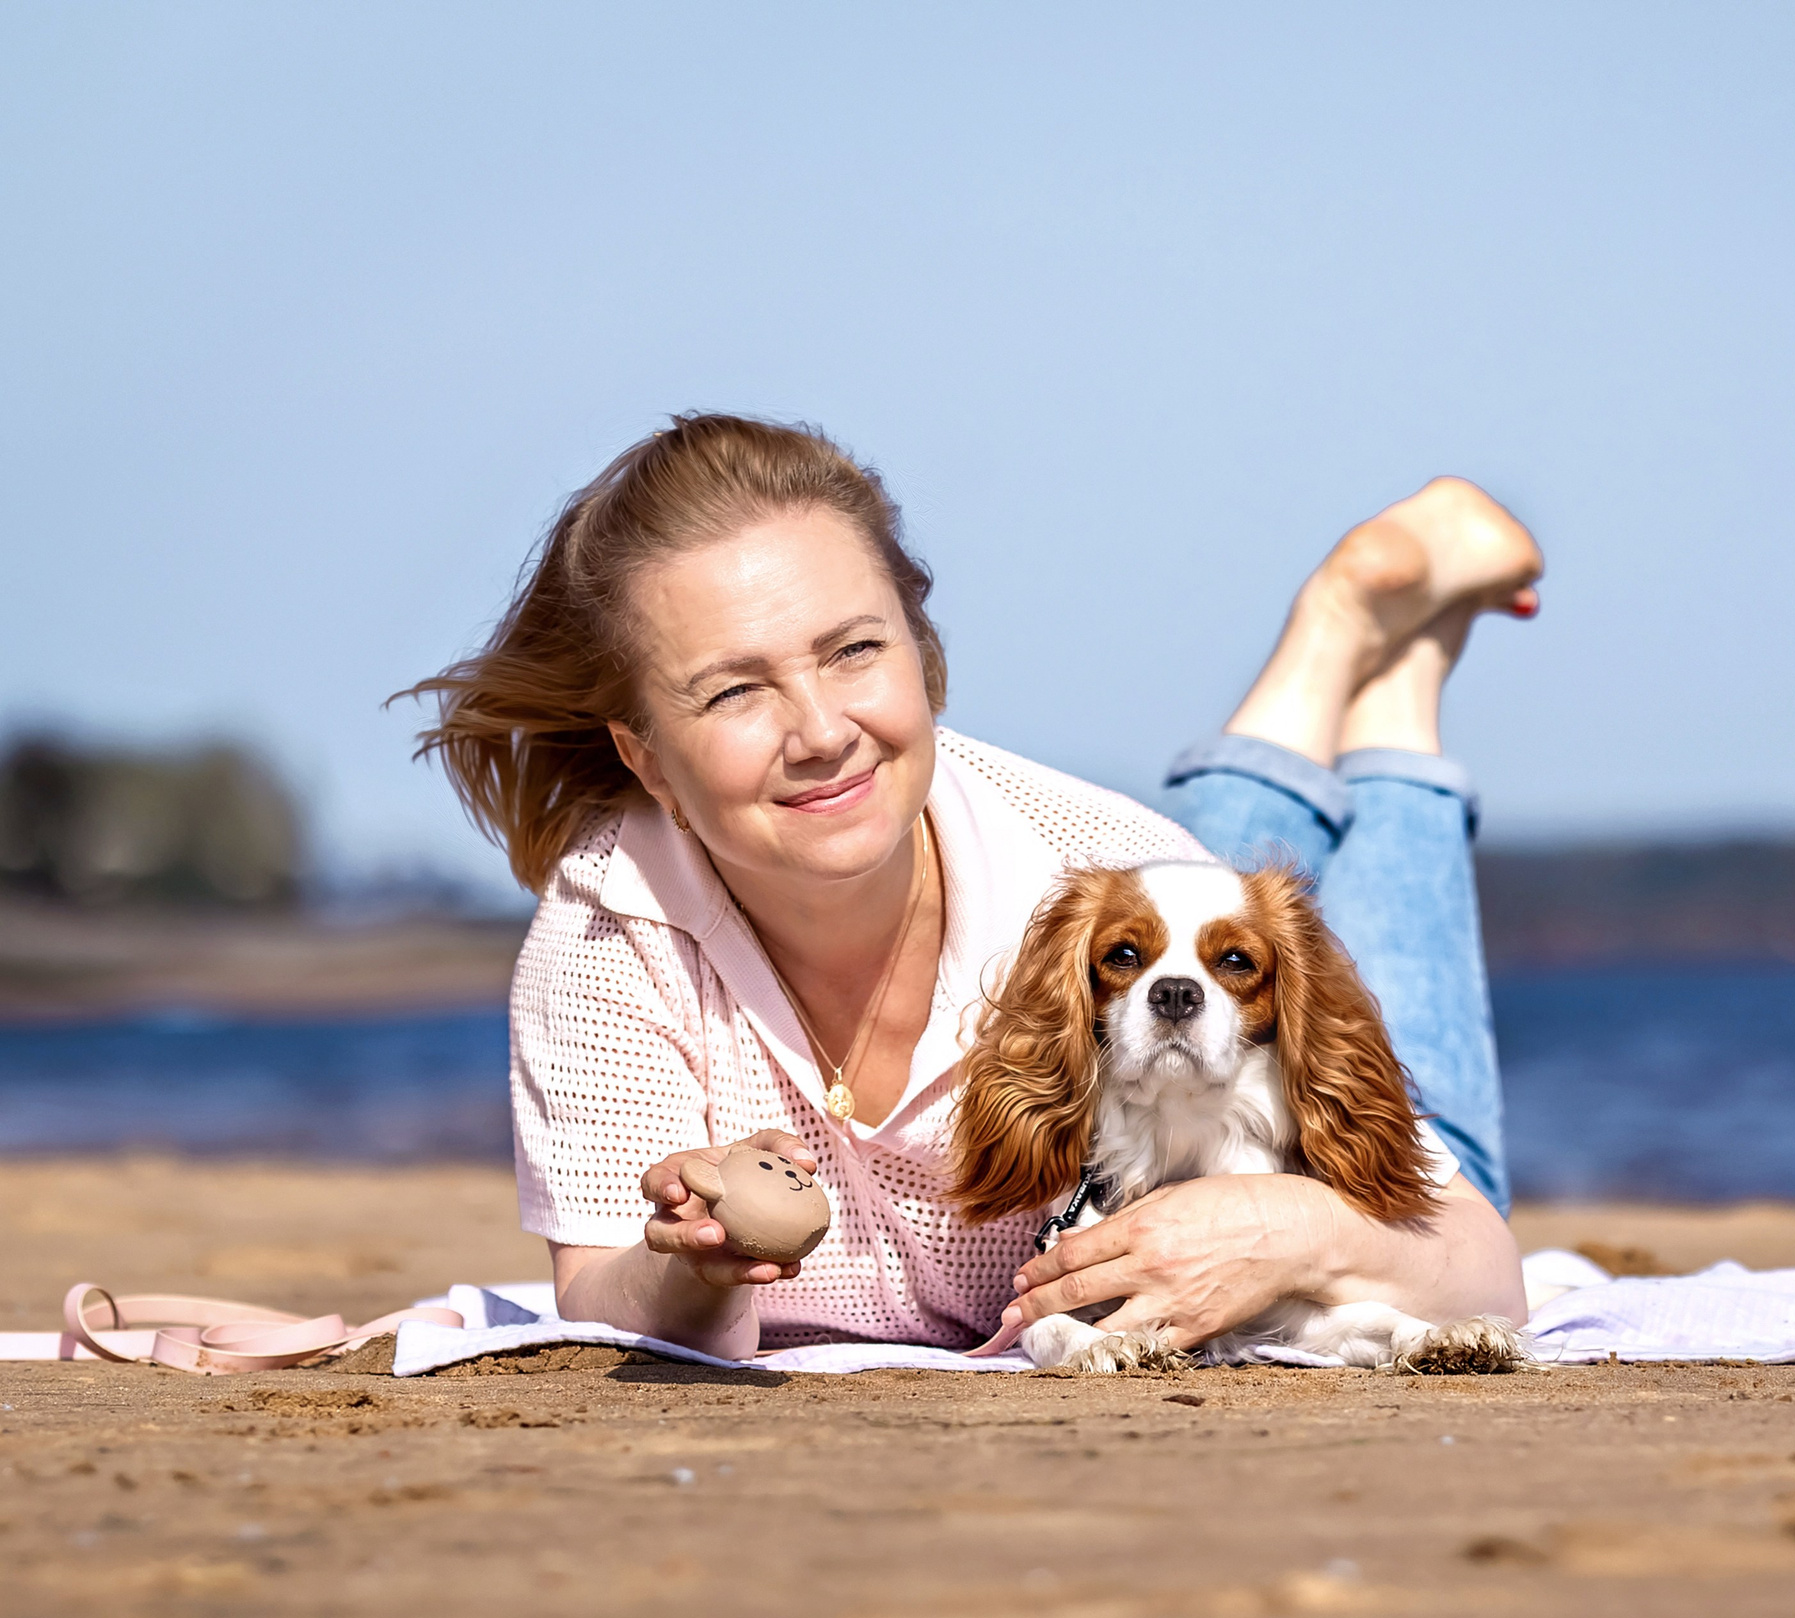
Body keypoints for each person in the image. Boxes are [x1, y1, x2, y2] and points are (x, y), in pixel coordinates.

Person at [409, 414, 1539, 1359]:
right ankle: (1354, 646)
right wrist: (698, 1272)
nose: (819, 734)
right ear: (646, 755)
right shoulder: (607, 927)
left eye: (854, 651)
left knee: (1259, 973)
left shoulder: (1091, 854)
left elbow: (1479, 1265)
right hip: (1145, 914)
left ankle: (1367, 654)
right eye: (733, 692)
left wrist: (1293, 1231)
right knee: (1187, 927)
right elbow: (603, 1297)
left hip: (1187, 984)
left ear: (927, 660)